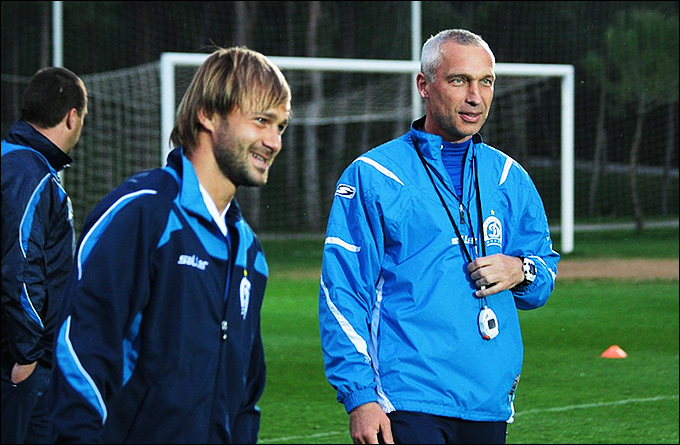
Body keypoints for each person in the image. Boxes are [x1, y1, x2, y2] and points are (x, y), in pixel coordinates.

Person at [318, 29, 560, 444]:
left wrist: (520, 270)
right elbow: (343, 293)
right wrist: (360, 397)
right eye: (459, 80)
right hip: (406, 400)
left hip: (487, 400)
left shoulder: (509, 177)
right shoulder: (374, 176)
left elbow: (542, 279)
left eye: (486, 82)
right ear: (424, 85)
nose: (475, 97)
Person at [47, 46, 291, 444]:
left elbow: (245, 394)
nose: (274, 141)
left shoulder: (249, 253)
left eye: (280, 126)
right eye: (262, 120)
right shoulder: (143, 215)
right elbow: (81, 355)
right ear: (208, 114)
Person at [1, 66, 88, 444]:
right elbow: (20, 265)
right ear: (72, 117)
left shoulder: (11, 159)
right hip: (17, 361)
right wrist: (27, 354)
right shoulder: (30, 173)